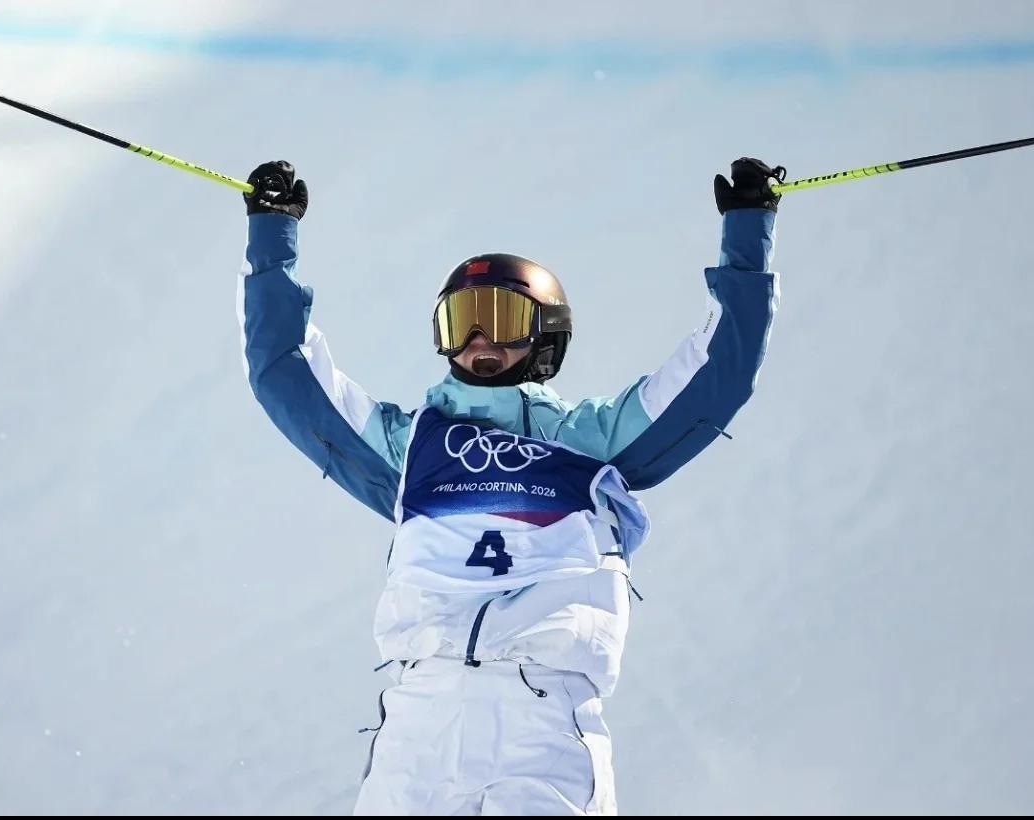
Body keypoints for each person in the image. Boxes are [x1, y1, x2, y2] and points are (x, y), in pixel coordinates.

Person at [236, 156, 784, 815]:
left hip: (539, 718)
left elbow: (718, 374)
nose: (477, 340)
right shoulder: (412, 450)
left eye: (500, 317)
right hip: (420, 720)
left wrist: (748, 228)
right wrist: (272, 235)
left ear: (545, 332)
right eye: (461, 320)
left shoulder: (588, 443)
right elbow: (286, 375)